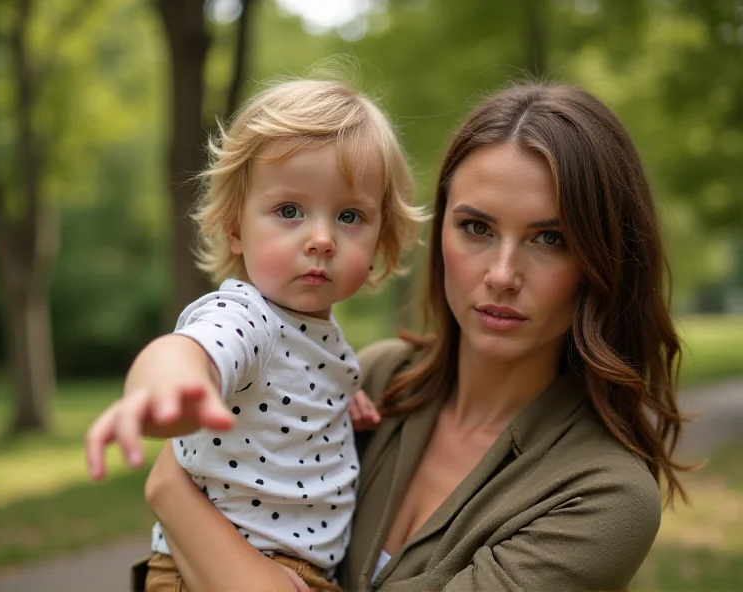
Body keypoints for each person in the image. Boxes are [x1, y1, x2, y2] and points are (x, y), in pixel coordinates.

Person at [89, 81, 689, 591]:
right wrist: (160, 400)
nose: (501, 275)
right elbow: (194, 353)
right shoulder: (376, 380)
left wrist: (172, 492)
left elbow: (176, 475)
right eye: (476, 227)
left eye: (549, 238)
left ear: (605, 260)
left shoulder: (601, 496)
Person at [84, 78, 423, 591]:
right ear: (237, 227)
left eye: (350, 216)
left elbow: (295, 392)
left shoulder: (320, 336)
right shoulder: (249, 316)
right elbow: (193, 349)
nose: (322, 240)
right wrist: (166, 387)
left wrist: (340, 401)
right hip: (204, 569)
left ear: (380, 239)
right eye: (290, 211)